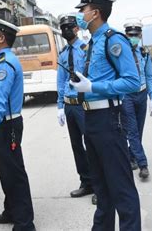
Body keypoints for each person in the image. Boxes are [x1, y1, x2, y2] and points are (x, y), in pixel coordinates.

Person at [70, 0, 142, 230]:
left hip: (108, 119)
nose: (80, 14)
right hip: (90, 118)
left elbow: (132, 81)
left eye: (83, 10)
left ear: (95, 12)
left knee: (121, 188)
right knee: (101, 188)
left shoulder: (114, 39)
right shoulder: (94, 42)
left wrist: (93, 86)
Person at [0, 18, 36, 231]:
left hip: (7, 125)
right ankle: (11, 210)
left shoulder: (5, 64)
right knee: (6, 170)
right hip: (4, 125)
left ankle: (25, 223)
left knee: (14, 173)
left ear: (1, 38)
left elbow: (0, 99)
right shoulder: (1, 60)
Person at [56, 12, 94, 199]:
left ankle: (99, 184)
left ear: (77, 29)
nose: (65, 31)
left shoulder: (86, 49)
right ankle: (86, 181)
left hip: (83, 104)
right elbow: (61, 81)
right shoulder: (63, 54)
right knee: (76, 146)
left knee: (92, 144)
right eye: (62, 28)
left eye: (69, 27)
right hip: (69, 106)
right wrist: (60, 106)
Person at [122, 22, 152, 179]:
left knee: (139, 130)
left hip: (141, 95)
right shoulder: (121, 53)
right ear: (125, 35)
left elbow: (149, 76)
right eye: (130, 35)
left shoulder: (144, 53)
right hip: (127, 96)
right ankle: (143, 165)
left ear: (141, 36)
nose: (133, 38)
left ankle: (132, 156)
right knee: (132, 131)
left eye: (136, 35)